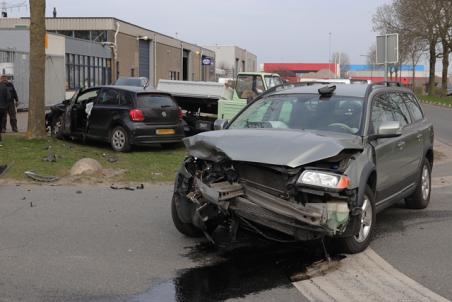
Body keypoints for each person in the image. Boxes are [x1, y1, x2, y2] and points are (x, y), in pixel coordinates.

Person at [0, 78, 11, 145]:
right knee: (1, 122)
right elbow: (9, 97)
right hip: (2, 108)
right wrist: (5, 105)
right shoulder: (5, 87)